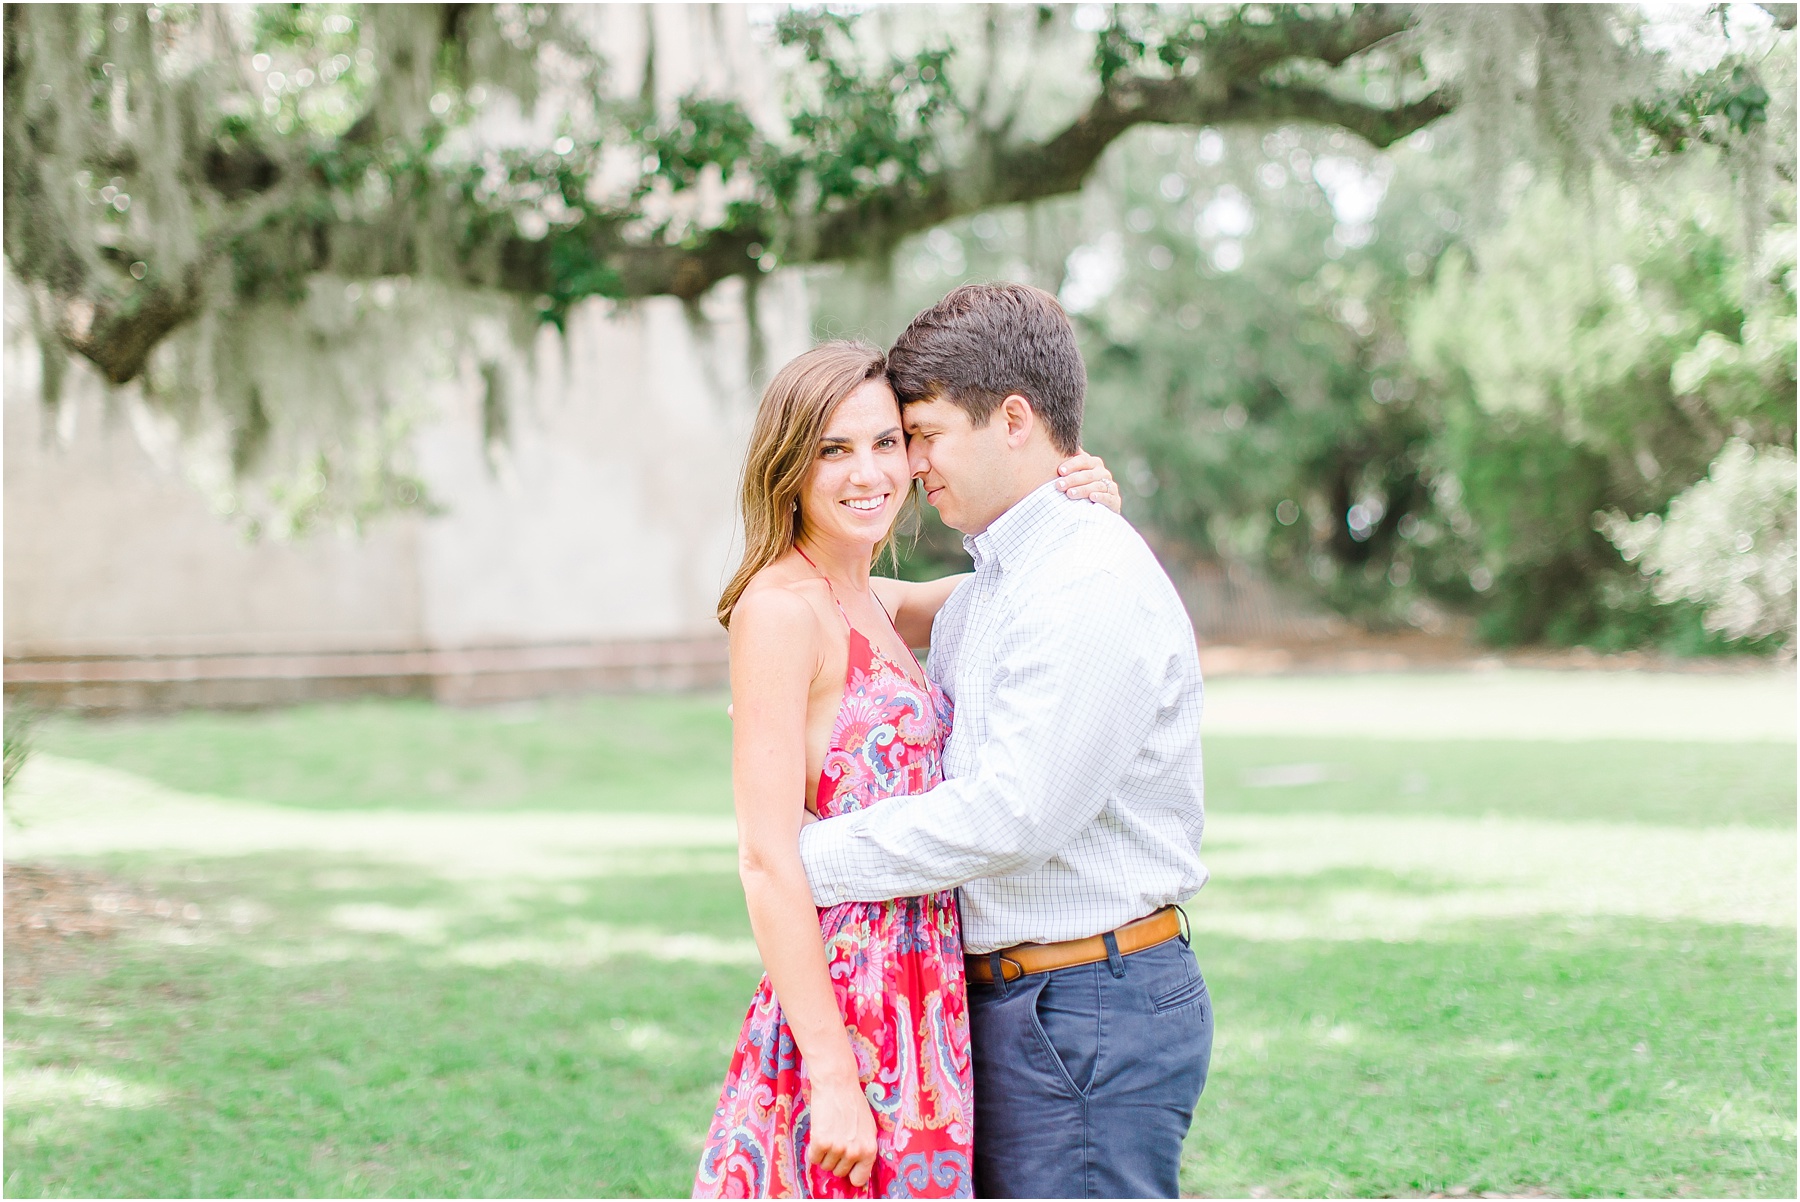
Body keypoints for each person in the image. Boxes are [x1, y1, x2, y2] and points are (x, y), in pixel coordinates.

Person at [798, 283, 1212, 1199]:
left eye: (925, 434)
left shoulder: (1084, 579)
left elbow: (1009, 814)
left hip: (1082, 1008)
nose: (911, 464)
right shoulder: (999, 582)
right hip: (1010, 1004)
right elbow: (859, 608)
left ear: (1014, 418)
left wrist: (805, 862)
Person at [692, 339, 1122, 1199]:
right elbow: (766, 859)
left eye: (888, 442)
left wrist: (1077, 506)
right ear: (789, 466)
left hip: (927, 993)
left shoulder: (875, 599)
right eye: (834, 449)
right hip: (850, 1000)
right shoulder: (779, 613)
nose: (870, 473)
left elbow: (1018, 585)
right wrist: (833, 1074)